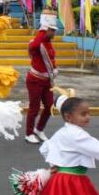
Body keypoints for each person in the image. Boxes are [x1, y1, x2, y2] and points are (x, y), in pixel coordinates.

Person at [25, 9, 59, 144]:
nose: (55, 33)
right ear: (46, 30)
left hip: (47, 81)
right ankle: (28, 133)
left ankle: (39, 129)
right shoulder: (37, 42)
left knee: (50, 106)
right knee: (34, 108)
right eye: (52, 30)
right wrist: (42, 30)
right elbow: (33, 46)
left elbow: (51, 58)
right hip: (35, 80)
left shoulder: (48, 43)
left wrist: (55, 68)